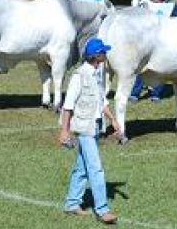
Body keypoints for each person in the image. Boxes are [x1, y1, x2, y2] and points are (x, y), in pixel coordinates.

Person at [59, 37, 120, 224]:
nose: (106, 54)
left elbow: (102, 101)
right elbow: (68, 106)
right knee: (96, 168)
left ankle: (72, 202)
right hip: (84, 129)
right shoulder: (79, 76)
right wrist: (64, 131)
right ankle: (102, 210)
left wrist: (113, 120)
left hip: (94, 128)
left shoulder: (97, 73)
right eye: (103, 52)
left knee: (82, 167)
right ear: (96, 56)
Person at [130, 0, 177, 102]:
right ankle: (135, 93)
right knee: (142, 68)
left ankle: (156, 93)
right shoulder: (144, 5)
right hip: (145, 44)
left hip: (163, 44)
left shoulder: (172, 6)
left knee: (160, 69)